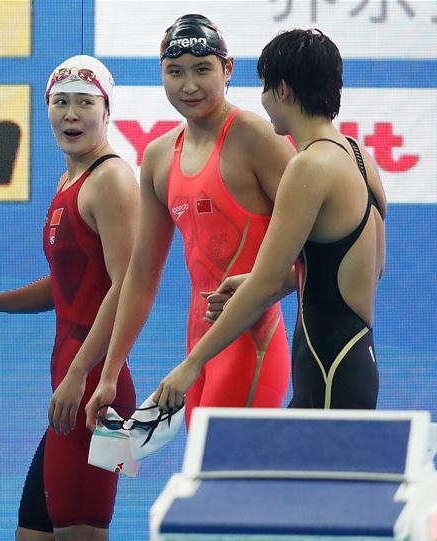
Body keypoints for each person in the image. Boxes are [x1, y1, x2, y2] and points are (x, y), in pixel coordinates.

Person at [144, 28, 387, 412]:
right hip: (353, 359)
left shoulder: (308, 166)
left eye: (264, 87)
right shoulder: (359, 157)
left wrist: (192, 364)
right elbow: (369, 265)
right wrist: (258, 282)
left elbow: (267, 282)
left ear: (283, 91)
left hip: (324, 366)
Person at [0, 55, 139, 541]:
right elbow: (71, 284)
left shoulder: (111, 178)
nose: (71, 114)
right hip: (78, 383)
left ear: (106, 110)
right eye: (60, 102)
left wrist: (78, 378)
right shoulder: (72, 178)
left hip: (98, 392)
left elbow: (125, 288)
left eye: (85, 103)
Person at [86, 14, 294, 431]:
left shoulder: (259, 139)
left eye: (203, 70)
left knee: (226, 485)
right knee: (207, 486)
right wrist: (109, 373)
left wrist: (261, 284)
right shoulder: (161, 157)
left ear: (228, 69)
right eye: (175, 72)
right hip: (197, 347)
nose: (189, 86)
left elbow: (318, 252)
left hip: (251, 342)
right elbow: (141, 276)